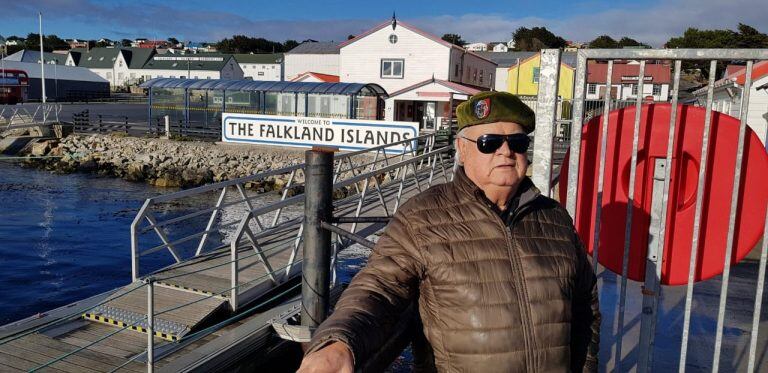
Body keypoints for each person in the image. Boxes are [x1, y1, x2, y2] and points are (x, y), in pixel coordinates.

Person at [297, 91, 600, 372]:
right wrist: (338, 343)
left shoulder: (554, 217)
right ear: (462, 149)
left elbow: (585, 306)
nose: (506, 152)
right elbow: (378, 290)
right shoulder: (422, 217)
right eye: (489, 142)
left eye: (518, 143)